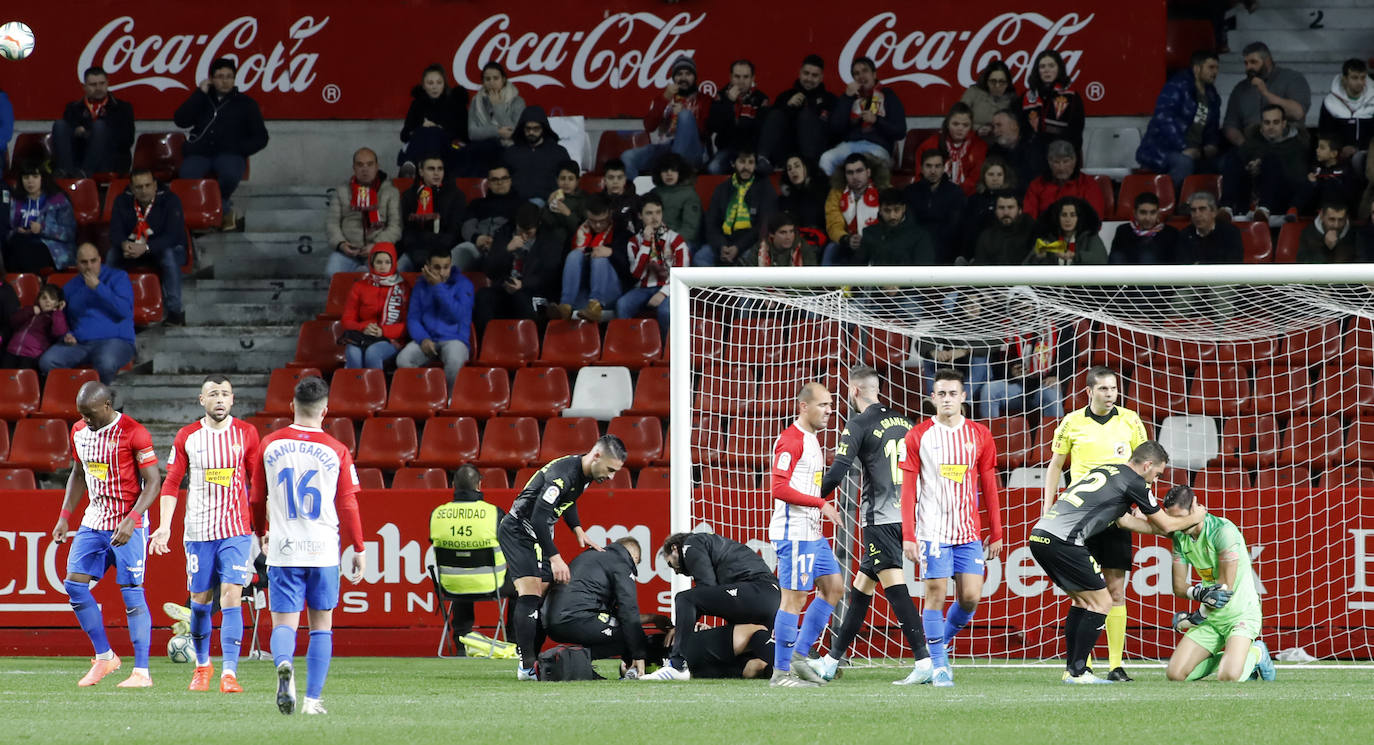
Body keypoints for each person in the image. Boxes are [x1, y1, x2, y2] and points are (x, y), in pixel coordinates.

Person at [1030, 442, 1204, 683]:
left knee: (1082, 601)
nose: (1155, 479)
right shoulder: (1136, 483)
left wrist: (1165, 531)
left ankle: (1073, 670)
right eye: (1157, 473)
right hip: (1064, 541)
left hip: (1040, 536)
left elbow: (1123, 522)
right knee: (1102, 602)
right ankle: (1079, 673)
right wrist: (1197, 517)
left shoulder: (1106, 470)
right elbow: (1165, 524)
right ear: (1147, 465)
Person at [805, 367, 934, 685]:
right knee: (861, 590)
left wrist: (810, 499)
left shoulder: (859, 423)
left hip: (879, 518)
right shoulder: (906, 423)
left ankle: (924, 660)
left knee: (896, 589)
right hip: (904, 514)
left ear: (853, 391)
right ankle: (831, 661)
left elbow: (836, 473)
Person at [251, 376, 365, 715]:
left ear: (292, 407)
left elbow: (257, 498)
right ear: (325, 410)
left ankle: (284, 665)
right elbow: (348, 505)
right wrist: (358, 546)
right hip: (323, 550)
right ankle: (313, 701)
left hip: (285, 548)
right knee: (321, 626)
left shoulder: (269, 444)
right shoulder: (337, 450)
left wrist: (261, 533)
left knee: (283, 623)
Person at [150, 374, 260, 693]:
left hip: (236, 530)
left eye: (225, 394)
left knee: (231, 597)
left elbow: (257, 485)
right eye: (213, 394)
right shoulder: (188, 436)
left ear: (233, 399)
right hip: (198, 531)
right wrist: (164, 527)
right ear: (202, 400)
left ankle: (229, 673)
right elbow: (171, 484)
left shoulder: (246, 433)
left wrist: (263, 526)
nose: (220, 399)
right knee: (200, 603)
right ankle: (202, 667)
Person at [52, 380, 162, 688]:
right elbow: (78, 473)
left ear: (106, 406)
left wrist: (133, 519)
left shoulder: (134, 433)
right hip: (94, 521)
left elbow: (153, 482)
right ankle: (105, 657)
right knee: (74, 586)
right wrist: (64, 517)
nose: (85, 419)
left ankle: (142, 672)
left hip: (129, 525)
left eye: (89, 413)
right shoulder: (79, 433)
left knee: (131, 593)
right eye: (81, 414)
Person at [1042, 365, 1149, 681]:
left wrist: (1143, 504)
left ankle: (1115, 665)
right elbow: (1055, 465)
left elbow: (1144, 466)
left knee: (1116, 590)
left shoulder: (1130, 420)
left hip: (1116, 516)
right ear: (1089, 391)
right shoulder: (1071, 422)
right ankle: (1081, 664)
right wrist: (1048, 505)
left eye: (1113, 388)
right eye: (1103, 389)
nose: (1110, 394)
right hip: (1080, 519)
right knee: (1086, 593)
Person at [897, 368, 1002, 686]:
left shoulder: (979, 434)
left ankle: (938, 643)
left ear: (963, 397)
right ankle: (940, 666)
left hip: (968, 532)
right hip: (932, 531)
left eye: (952, 393)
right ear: (932, 398)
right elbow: (908, 489)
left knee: (970, 596)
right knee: (935, 594)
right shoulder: (918, 435)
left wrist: (995, 531)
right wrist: (909, 534)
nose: (947, 399)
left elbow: (989, 484)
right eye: (941, 393)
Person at [497, 435, 627, 680]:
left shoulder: (583, 474)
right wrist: (555, 557)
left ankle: (531, 662)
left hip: (538, 534)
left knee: (543, 597)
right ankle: (526, 667)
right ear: (596, 455)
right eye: (610, 470)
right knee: (530, 594)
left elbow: (568, 500)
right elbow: (537, 517)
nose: (610, 477)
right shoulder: (563, 474)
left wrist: (577, 529)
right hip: (518, 531)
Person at [1116, 485, 1276, 683]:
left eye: (1181, 517)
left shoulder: (1222, 532)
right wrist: (1200, 595)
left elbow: (1225, 589)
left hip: (1240, 615)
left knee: (1229, 677)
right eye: (1173, 519)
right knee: (1176, 674)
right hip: (1212, 618)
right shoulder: (1180, 536)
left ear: (1195, 507)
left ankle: (1256, 653)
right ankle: (1233, 659)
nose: (1178, 524)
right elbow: (1179, 587)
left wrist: (1196, 617)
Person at [767, 382, 843, 688]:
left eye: (830, 405)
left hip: (811, 532)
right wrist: (821, 503)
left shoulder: (812, 439)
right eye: (823, 405)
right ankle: (780, 673)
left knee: (834, 587)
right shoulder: (791, 441)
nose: (828, 411)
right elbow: (778, 488)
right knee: (794, 599)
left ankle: (798, 655)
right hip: (794, 532)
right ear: (803, 406)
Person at [647, 531, 780, 681]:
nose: (676, 571)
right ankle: (793, 666)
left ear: (674, 548)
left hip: (758, 591)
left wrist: (682, 627)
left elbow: (706, 587)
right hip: (769, 598)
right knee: (749, 658)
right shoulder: (715, 548)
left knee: (684, 598)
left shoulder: (692, 543)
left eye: (670, 564)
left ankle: (677, 665)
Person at [174, 57, 269, 231]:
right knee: (188, 175)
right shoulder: (202, 99)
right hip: (200, 152)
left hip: (230, 153)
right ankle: (225, 212)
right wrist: (199, 93)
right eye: (220, 76)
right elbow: (180, 120)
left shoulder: (246, 104)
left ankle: (219, 207)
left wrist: (240, 149)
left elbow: (261, 137)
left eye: (229, 76)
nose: (225, 81)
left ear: (234, 79)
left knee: (230, 174)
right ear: (211, 78)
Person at [429, 465, 510, 652]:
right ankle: (514, 641)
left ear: (453, 485)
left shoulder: (438, 514)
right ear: (479, 485)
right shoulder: (493, 513)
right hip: (493, 585)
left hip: (450, 586)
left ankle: (460, 643)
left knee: (461, 573)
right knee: (521, 582)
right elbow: (511, 546)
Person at [542, 537, 648, 678]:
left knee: (624, 628)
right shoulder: (620, 562)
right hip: (576, 619)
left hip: (552, 622)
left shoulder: (591, 556)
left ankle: (578, 664)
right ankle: (571, 659)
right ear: (634, 557)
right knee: (633, 635)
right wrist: (638, 654)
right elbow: (628, 611)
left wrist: (652, 618)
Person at [40, 243, 136, 384]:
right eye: (84, 262)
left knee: (105, 362)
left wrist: (99, 287)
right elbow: (62, 319)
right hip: (81, 344)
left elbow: (125, 311)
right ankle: (73, 397)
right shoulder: (70, 287)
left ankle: (101, 401)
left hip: (116, 341)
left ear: (100, 259)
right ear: (77, 264)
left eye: (93, 261)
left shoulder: (118, 277)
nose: (89, 266)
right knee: (47, 361)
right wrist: (66, 335)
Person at [106, 169, 188, 325]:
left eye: (147, 185)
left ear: (155, 186)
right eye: (138, 187)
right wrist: (124, 244)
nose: (143, 190)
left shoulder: (170, 200)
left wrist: (146, 248)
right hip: (133, 248)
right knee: (112, 255)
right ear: (131, 188)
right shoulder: (122, 201)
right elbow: (115, 231)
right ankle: (109, 306)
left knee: (169, 256)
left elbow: (173, 236)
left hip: (162, 248)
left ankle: (175, 311)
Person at [1136, 50, 1223, 194]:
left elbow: (1212, 126)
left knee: (1217, 165)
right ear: (1196, 68)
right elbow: (1164, 119)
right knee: (1184, 163)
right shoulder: (1176, 86)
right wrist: (1183, 147)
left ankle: (1197, 206)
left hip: (1196, 151)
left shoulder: (1212, 95)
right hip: (1163, 150)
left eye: (1217, 68)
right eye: (1211, 67)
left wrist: (1211, 144)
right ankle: (1168, 204)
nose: (1215, 72)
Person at [473, 203, 564, 331]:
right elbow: (489, 270)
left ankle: (530, 346)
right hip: (505, 289)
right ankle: (487, 343)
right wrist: (507, 249)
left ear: (538, 226)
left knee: (520, 298)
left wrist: (523, 284)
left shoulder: (549, 240)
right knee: (483, 296)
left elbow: (549, 276)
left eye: (529, 233)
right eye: (520, 231)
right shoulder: (504, 234)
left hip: (535, 292)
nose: (524, 236)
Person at [621, 55, 709, 180]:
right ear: (673, 77)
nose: (683, 78)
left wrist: (685, 117)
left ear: (695, 77)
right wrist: (664, 100)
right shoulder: (665, 98)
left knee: (685, 115)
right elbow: (649, 127)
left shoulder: (704, 100)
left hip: (692, 151)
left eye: (688, 74)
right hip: (665, 149)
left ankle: (675, 170)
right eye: (679, 74)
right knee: (627, 157)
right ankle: (630, 197)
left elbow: (707, 131)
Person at [397, 248, 474, 389]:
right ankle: (425, 396)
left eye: (446, 267)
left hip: (455, 339)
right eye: (437, 267)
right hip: (428, 338)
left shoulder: (464, 284)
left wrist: (438, 286)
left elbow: (458, 315)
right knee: (403, 360)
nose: (442, 272)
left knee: (455, 360)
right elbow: (413, 318)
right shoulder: (420, 285)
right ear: (428, 266)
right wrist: (423, 339)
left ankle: (450, 401)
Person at [1222, 104, 1311, 222]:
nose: (1271, 127)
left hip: (1283, 196)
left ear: (1283, 124)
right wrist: (1251, 168)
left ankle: (1264, 209)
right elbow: (1240, 166)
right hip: (1252, 194)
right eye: (1267, 122)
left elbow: (1297, 178)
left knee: (1271, 160)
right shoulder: (1252, 143)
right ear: (1261, 125)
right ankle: (1225, 208)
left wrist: (1264, 166)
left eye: (1275, 122)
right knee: (1233, 156)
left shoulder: (1298, 146)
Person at [820, 56, 906, 174]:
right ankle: (832, 193)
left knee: (873, 164)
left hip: (877, 147)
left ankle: (872, 193)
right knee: (826, 158)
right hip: (850, 145)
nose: (861, 76)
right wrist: (847, 98)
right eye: (856, 73)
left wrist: (876, 120)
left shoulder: (888, 95)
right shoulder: (850, 97)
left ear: (874, 75)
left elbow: (900, 131)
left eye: (865, 71)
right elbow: (835, 128)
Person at [325, 148, 402, 277]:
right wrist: (341, 244)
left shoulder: (391, 192)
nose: (365, 169)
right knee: (332, 272)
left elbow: (396, 227)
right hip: (348, 250)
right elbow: (332, 223)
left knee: (378, 274)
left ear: (377, 167)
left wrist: (376, 245)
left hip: (378, 251)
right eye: (360, 165)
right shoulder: (342, 191)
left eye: (370, 164)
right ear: (354, 168)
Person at [983, 308, 1073, 419]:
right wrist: (1010, 372)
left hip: (1044, 384)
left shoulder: (1058, 325)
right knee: (989, 390)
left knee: (1051, 395)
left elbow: (1070, 356)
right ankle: (989, 435)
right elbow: (996, 361)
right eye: (1018, 305)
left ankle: (1056, 435)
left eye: (1027, 305)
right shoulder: (1005, 327)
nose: (1022, 309)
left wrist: (1058, 376)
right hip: (1016, 386)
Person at [617, 194, 686, 335]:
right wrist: (647, 243)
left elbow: (682, 276)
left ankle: (668, 354)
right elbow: (636, 273)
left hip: (670, 288)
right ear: (640, 216)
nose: (655, 218)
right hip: (643, 288)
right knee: (622, 305)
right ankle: (629, 351)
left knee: (665, 311)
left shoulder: (676, 240)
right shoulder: (634, 242)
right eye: (649, 213)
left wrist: (662, 293)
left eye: (658, 212)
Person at [1222, 42, 1311, 147]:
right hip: (1252, 146)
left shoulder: (1292, 78)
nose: (1248, 67)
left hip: (1287, 145)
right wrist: (1245, 147)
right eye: (1246, 63)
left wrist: (1266, 93)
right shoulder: (1240, 88)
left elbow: (1298, 113)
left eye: (1253, 62)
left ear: (1267, 61)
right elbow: (1230, 125)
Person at [52, 66, 135, 178]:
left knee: (99, 126)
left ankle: (84, 174)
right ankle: (66, 173)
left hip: (110, 158)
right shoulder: (73, 108)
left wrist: (95, 134)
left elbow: (127, 140)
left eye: (102, 83)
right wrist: (77, 132)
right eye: (93, 85)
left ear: (107, 84)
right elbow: (67, 138)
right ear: (84, 87)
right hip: (80, 157)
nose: (98, 88)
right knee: (59, 125)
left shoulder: (122, 108)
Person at [700, 149, 777, 267]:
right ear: (733, 163)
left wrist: (738, 247)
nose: (746, 167)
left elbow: (762, 226)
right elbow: (711, 223)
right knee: (701, 257)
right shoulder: (722, 189)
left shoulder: (764, 188)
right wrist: (721, 246)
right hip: (724, 243)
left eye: (750, 162)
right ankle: (717, 286)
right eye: (742, 162)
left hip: (750, 244)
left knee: (751, 259)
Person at [557, 194, 627, 323]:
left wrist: (612, 252)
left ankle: (595, 304)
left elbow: (630, 271)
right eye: (593, 221)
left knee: (598, 256)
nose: (598, 225)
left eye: (603, 220)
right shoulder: (579, 231)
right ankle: (565, 306)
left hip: (609, 291)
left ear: (610, 214)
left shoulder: (620, 231)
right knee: (575, 255)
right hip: (583, 291)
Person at [758, 55, 836, 167]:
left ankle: (808, 167)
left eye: (814, 75)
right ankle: (762, 159)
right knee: (776, 114)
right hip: (785, 154)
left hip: (814, 155)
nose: (809, 78)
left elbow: (833, 130)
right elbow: (771, 125)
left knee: (806, 115)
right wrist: (787, 106)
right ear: (799, 73)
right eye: (806, 73)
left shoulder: (830, 99)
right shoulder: (785, 96)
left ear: (821, 77)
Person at [341, 243, 409, 370]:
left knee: (373, 352)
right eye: (379, 262)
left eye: (387, 262)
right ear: (371, 263)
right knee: (352, 353)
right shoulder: (359, 286)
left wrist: (383, 331)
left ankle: (374, 389)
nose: (383, 266)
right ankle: (354, 389)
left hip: (390, 339)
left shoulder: (403, 288)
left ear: (393, 263)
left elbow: (407, 324)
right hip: (362, 335)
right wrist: (363, 327)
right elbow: (347, 320)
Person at [398, 155, 467, 272]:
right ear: (421, 171)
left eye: (440, 169)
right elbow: (406, 231)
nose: (436, 173)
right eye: (431, 169)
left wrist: (432, 247)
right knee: (397, 270)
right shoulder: (409, 196)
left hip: (446, 252)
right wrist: (417, 248)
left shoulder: (456, 196)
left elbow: (454, 232)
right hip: (415, 250)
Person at [397, 64, 467, 178]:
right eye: (430, 83)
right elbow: (404, 135)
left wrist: (440, 129)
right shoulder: (417, 104)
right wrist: (420, 127)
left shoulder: (455, 104)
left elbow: (464, 135)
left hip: (449, 146)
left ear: (444, 85)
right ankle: (410, 169)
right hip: (423, 144)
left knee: (433, 132)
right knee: (425, 132)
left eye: (439, 83)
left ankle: (411, 164)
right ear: (423, 86)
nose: (435, 87)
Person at [4, 163, 77, 272]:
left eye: (35, 177)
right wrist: (17, 231)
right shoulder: (16, 200)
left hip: (51, 249)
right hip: (21, 244)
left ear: (43, 178)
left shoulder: (59, 201)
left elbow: (70, 233)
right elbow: (8, 229)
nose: (30, 181)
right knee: (14, 244)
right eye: (26, 177)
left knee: (20, 248)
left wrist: (42, 229)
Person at [706, 59, 770, 174]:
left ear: (753, 78)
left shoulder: (761, 99)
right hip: (727, 149)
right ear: (730, 77)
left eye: (746, 77)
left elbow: (761, 130)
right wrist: (729, 101)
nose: (741, 81)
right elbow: (714, 125)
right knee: (713, 168)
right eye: (737, 76)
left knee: (762, 170)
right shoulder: (720, 97)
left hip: (751, 150)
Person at [463, 62, 526, 177]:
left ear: (504, 79)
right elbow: (472, 133)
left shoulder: (517, 101)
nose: (491, 82)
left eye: (495, 78)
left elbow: (514, 132)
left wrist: (498, 107)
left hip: (509, 148)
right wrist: (497, 132)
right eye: (487, 79)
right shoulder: (476, 101)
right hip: (483, 148)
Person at [903, 149, 966, 261]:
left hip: (946, 249)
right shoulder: (909, 192)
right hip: (916, 248)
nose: (933, 171)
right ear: (921, 168)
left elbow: (956, 227)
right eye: (929, 166)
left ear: (943, 168)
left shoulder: (956, 193)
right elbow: (909, 225)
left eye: (937, 166)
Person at [823, 153, 886, 265]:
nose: (855, 176)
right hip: (848, 242)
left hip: (878, 241)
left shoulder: (883, 190)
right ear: (845, 175)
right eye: (850, 173)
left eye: (859, 171)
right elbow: (833, 223)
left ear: (868, 172)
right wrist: (846, 239)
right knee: (831, 249)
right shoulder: (836, 193)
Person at [456, 164, 522, 267]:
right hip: (478, 246)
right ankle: (441, 280)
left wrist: (497, 244)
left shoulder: (522, 204)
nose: (500, 183)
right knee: (463, 249)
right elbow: (467, 225)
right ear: (489, 183)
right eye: (495, 180)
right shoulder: (477, 204)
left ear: (510, 181)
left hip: (506, 248)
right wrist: (477, 238)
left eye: (504, 178)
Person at [502, 106, 572, 203]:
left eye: (536, 128)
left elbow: (569, 181)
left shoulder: (558, 152)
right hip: (515, 202)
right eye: (528, 128)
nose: (531, 132)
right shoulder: (511, 153)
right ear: (522, 129)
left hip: (548, 203)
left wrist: (558, 196)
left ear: (543, 128)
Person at [917, 103, 988, 197]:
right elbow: (920, 175)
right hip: (932, 195)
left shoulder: (980, 146)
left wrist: (955, 195)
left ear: (971, 127)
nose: (960, 128)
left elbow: (975, 179)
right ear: (947, 124)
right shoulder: (930, 144)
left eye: (965, 125)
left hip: (967, 197)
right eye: (955, 124)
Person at [1021, 49, 1085, 152]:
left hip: (1061, 155)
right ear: (1037, 70)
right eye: (1042, 66)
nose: (1047, 70)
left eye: (1051, 66)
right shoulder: (1026, 97)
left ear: (1059, 69)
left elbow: (1076, 131)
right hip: (1033, 156)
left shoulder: (1072, 96)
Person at [1022, 140, 1105, 219]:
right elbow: (1029, 219)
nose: (1061, 168)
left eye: (1066, 161)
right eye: (1056, 162)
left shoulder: (1088, 184)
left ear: (1074, 160)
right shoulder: (1036, 185)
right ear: (1049, 162)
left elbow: (1095, 219)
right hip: (1044, 232)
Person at [856, 188, 935, 266]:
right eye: (887, 210)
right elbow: (857, 269)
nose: (892, 216)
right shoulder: (870, 233)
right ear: (880, 210)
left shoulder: (920, 236)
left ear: (904, 208)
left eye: (896, 210)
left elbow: (924, 272)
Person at [674, 623, 775, 680]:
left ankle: (781, 668)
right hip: (695, 661)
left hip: (693, 661)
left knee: (759, 630)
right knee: (759, 630)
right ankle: (783, 667)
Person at [959, 157, 1017, 255]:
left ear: (1004, 177)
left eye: (999, 175)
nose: (995, 178)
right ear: (983, 176)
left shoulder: (1012, 199)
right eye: (991, 174)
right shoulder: (974, 200)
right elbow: (967, 231)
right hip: (977, 251)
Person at [1318, 59, 1373, 162]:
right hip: (1339, 155)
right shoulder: (1330, 102)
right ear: (1345, 79)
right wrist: (1340, 148)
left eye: (1363, 78)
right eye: (1354, 78)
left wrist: (1360, 148)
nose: (1360, 82)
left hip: (1370, 155)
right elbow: (1325, 134)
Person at [2, 282, 67, 369]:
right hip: (11, 351)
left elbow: (59, 332)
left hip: (31, 356)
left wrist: (58, 312)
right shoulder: (30, 311)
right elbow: (14, 321)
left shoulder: (54, 317)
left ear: (58, 302)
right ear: (38, 300)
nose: (47, 301)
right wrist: (30, 311)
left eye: (52, 298)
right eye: (44, 298)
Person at [1293, 133, 1361, 215]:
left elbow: (1351, 197)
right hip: (1313, 212)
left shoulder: (1346, 171)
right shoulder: (1314, 168)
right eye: (1317, 147)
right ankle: (1293, 211)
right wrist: (1313, 183)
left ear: (1333, 154)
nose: (1317, 150)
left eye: (1322, 148)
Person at [1026, 197, 1107, 265]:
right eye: (1064, 215)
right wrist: (1038, 258)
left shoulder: (1089, 237)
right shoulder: (1047, 238)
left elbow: (1101, 260)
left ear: (1079, 218)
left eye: (1072, 215)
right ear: (1057, 218)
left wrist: (1074, 256)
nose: (1068, 220)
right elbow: (1025, 268)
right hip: (1052, 283)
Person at [648, 152, 702, 249]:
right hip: (656, 240)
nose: (669, 173)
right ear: (659, 173)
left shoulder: (690, 194)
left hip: (683, 241)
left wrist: (670, 243)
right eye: (665, 170)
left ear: (680, 172)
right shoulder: (653, 193)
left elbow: (690, 229)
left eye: (673, 170)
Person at [1110, 192, 1180, 265]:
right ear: (1135, 213)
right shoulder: (1123, 231)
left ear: (1158, 213)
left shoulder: (1171, 233)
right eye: (1143, 212)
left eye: (1152, 213)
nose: (1148, 218)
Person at [1178, 191, 1243, 264]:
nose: (1197, 214)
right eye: (1193, 210)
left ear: (1214, 212)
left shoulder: (1230, 233)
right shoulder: (1185, 235)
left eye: (1202, 209)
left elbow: (1234, 263)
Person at [988, 110, 1042, 195]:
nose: (995, 131)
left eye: (999, 125)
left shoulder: (1035, 146)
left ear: (1014, 126)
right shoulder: (993, 151)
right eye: (993, 127)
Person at [973, 192, 1034, 265]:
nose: (1006, 213)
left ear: (1020, 210)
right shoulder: (986, 237)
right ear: (995, 211)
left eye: (1010, 207)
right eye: (1001, 208)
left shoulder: (1031, 233)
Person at [960, 61, 1018, 138]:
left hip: (1001, 145)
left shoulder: (1013, 99)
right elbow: (958, 119)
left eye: (1002, 82)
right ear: (986, 81)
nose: (997, 85)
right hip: (973, 141)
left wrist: (994, 129)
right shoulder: (973, 93)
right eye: (993, 81)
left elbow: (1016, 128)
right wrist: (977, 129)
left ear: (1008, 83)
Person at [777, 155, 829, 234]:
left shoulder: (823, 187)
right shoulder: (788, 197)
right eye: (789, 169)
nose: (793, 171)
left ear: (807, 167)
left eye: (797, 166)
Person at [541, 160, 589, 244]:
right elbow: (547, 223)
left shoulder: (584, 199)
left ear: (577, 181)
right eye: (562, 178)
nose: (566, 183)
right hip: (552, 241)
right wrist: (548, 205)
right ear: (557, 180)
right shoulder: (554, 196)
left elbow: (583, 230)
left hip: (574, 241)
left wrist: (567, 213)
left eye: (571, 179)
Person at [745, 212, 818, 267]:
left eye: (791, 231)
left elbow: (813, 280)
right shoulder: (759, 249)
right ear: (771, 234)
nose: (788, 237)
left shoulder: (803, 247)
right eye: (783, 232)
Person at [1297, 199, 1357, 263]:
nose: (1336, 225)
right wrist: (1325, 247)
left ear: (1346, 218)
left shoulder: (1354, 234)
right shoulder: (1309, 233)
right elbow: (1303, 263)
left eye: (1341, 220)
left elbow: (1361, 262)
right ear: (1322, 216)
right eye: (1331, 219)